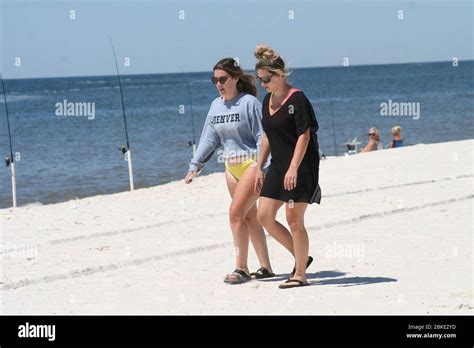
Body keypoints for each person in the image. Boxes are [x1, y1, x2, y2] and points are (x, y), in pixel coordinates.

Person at [184, 58, 274, 284]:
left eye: (222, 79)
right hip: (230, 167)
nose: (218, 84)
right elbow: (209, 137)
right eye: (214, 80)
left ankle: (241, 268)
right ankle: (266, 267)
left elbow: (262, 136)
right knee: (250, 217)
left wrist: (263, 165)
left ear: (235, 78)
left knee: (235, 214)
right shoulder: (216, 106)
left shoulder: (249, 103)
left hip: (252, 165)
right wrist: (195, 166)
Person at [253, 44, 321, 289]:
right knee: (264, 215)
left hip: (301, 166)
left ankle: (300, 274)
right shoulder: (267, 101)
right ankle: (302, 256)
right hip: (278, 166)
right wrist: (259, 166)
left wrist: (293, 168)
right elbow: (267, 136)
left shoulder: (298, 99)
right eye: (260, 80)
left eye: (267, 79)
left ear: (279, 74)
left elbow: (304, 136)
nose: (264, 84)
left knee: (293, 219)